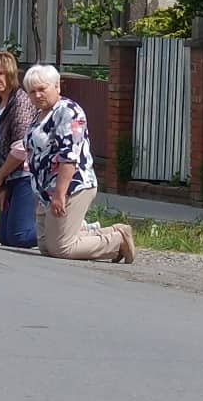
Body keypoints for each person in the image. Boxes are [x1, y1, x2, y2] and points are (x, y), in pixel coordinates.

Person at [22, 64, 134, 263]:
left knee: (62, 249)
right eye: (32, 91)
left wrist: (60, 194)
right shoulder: (39, 116)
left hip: (72, 186)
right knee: (46, 247)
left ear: (57, 87)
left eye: (42, 89)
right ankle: (100, 232)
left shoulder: (69, 112)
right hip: (45, 190)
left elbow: (69, 156)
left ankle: (117, 240)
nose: (37, 95)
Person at [0, 51, 37, 249]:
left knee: (20, 237)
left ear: (11, 73)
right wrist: (3, 185)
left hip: (26, 174)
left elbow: (21, 148)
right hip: (10, 178)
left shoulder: (20, 101)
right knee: (5, 237)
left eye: (0, 74)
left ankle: (70, 231)